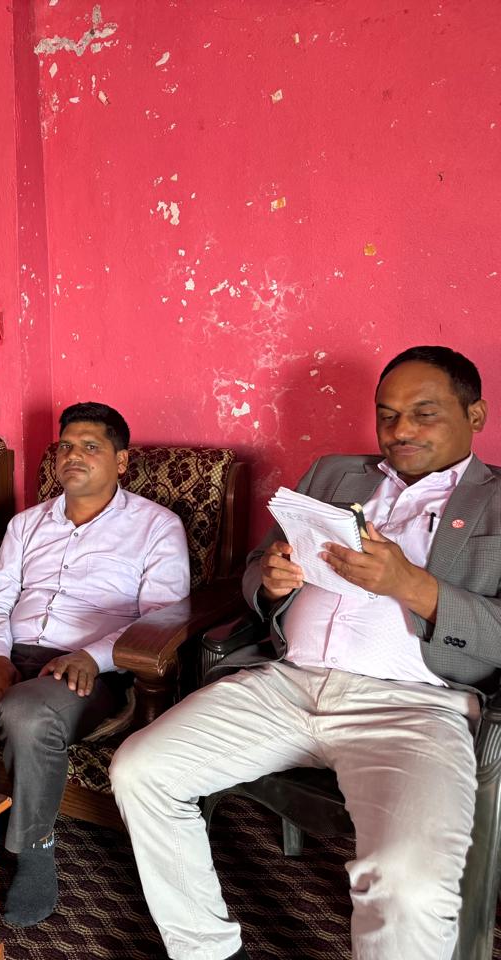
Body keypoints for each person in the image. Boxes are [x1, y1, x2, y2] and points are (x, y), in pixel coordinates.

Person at [110, 345, 500, 960]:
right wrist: (269, 582)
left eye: (424, 413)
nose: (400, 429)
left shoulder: (496, 501)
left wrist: (413, 586)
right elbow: (254, 568)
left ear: (474, 415)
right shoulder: (334, 475)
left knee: (408, 885)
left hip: (412, 707)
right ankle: (206, 949)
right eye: (387, 414)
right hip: (285, 683)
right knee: (140, 770)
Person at [0, 401, 190, 927]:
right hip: (8, 653)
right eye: (65, 446)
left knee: (26, 711)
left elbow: (163, 618)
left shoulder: (156, 527)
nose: (73, 456)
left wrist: (93, 656)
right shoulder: (27, 524)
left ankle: (35, 848)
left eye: (90, 447)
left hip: (89, 673)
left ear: (121, 461)